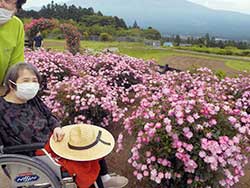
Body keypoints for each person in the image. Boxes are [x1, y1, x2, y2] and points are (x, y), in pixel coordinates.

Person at [0, 63, 128, 188]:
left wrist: (56, 127)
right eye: (26, 80)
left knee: (89, 140)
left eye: (34, 80)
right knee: (82, 156)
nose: (31, 84)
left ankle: (104, 179)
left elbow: (49, 116)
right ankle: (97, 182)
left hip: (53, 140)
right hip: (35, 151)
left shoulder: (33, 99)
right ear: (12, 84)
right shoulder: (2, 109)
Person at [0, 0, 26, 96]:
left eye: (7, 0)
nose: (1, 4)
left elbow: (15, 68)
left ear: (16, 8)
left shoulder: (17, 25)